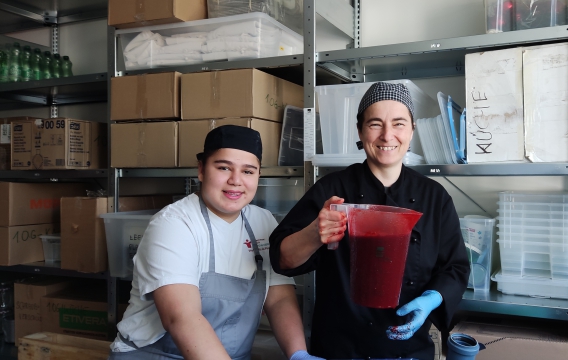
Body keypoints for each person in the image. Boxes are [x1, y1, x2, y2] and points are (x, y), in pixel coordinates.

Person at [269, 82, 470, 359]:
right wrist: (315, 232)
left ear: (412, 130)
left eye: (399, 124)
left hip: (408, 351)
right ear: (360, 131)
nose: (387, 135)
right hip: (340, 348)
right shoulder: (331, 190)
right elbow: (282, 260)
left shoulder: (434, 197)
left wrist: (431, 299)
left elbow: (455, 267)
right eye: (375, 124)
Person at [109, 125, 318, 360]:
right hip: (156, 355)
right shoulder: (174, 224)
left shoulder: (263, 221)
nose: (236, 181)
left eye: (248, 171)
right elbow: (182, 318)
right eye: (223, 168)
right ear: (201, 170)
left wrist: (298, 354)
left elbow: (279, 298)